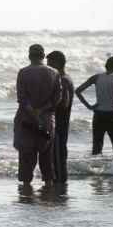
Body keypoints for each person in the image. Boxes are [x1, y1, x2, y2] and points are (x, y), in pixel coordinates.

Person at [14, 44, 61, 188]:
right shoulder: (54, 73)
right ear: (43, 56)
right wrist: (41, 111)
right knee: (46, 156)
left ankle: (26, 187)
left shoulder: (23, 72)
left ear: (29, 56)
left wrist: (32, 111)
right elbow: (56, 99)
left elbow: (22, 98)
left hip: (26, 120)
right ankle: (48, 186)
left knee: (26, 157)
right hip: (46, 120)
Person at [74, 56, 113, 155]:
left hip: (98, 114)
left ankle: (95, 168)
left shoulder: (96, 77)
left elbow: (78, 91)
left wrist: (89, 106)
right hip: (112, 114)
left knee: (97, 146)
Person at [47, 51, 73, 184]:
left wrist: (47, 107)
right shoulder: (64, 78)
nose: (48, 67)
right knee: (59, 157)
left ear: (57, 63)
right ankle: (60, 186)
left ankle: (60, 188)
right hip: (61, 125)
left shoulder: (62, 79)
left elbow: (64, 103)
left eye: (49, 63)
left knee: (58, 158)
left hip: (59, 125)